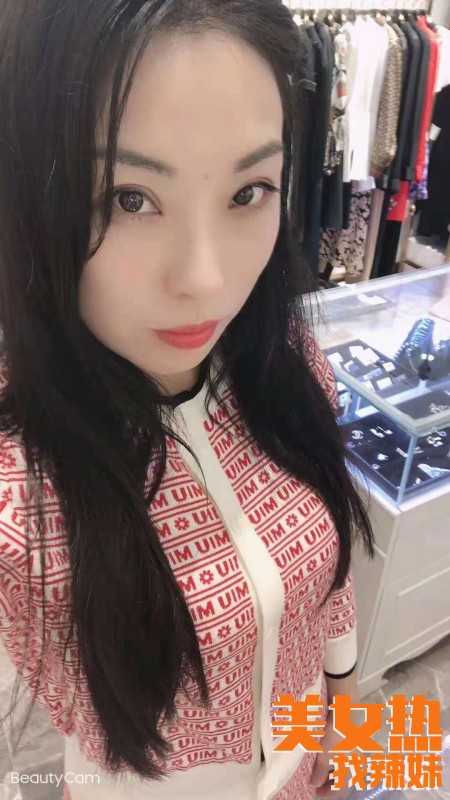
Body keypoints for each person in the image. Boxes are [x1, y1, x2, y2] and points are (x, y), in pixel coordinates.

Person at [0, 2, 375, 799]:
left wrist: (341, 709)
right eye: (129, 199)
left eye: (248, 191)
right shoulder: (17, 485)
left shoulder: (288, 367)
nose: (207, 281)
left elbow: (328, 575)